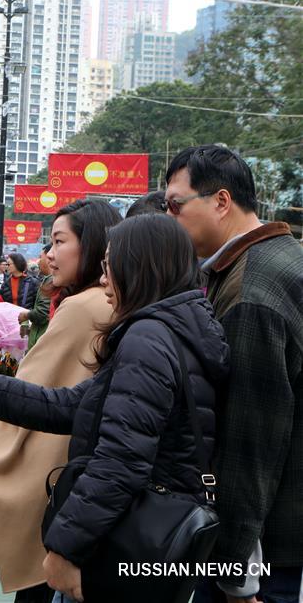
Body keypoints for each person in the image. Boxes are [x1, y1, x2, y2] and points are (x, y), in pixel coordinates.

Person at [0, 214, 229, 603]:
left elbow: (120, 460)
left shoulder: (148, 338)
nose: (105, 279)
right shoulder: (181, 329)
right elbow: (76, 404)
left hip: (121, 541)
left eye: (112, 267)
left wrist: (65, 547)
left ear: (139, 268)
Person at [164, 145, 303, 603]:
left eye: (175, 205)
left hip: (263, 546)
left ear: (221, 202)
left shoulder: (252, 290)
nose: (169, 218)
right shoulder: (271, 262)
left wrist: (235, 573)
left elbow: (251, 440)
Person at [0, 200, 122, 603]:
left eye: (59, 242)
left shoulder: (81, 307)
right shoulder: (112, 305)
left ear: (92, 246)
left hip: (58, 484)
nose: (49, 255)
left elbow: (33, 389)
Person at [19, 244, 54, 350]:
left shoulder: (50, 281)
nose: (38, 261)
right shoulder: (48, 279)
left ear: (50, 257)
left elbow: (42, 313)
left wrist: (26, 315)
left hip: (41, 344)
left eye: (40, 257)